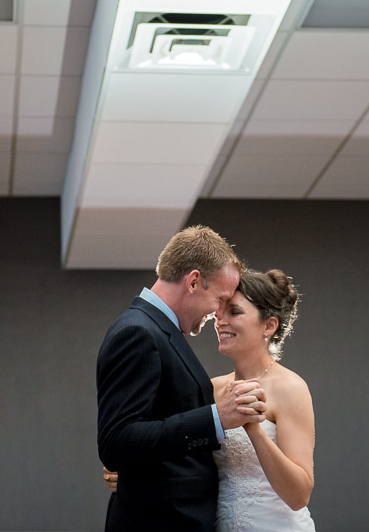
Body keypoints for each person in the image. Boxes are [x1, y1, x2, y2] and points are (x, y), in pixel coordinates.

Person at [104, 268, 317, 532]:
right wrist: (130, 474)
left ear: (269, 325)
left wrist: (253, 428)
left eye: (234, 312)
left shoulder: (290, 388)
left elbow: (299, 496)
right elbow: (177, 448)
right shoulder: (213, 388)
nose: (220, 320)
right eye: (220, 310)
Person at [97, 225, 269, 532]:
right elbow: (117, 442)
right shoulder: (138, 332)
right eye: (220, 299)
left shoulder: (157, 330)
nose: (218, 314)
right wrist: (216, 418)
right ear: (193, 281)